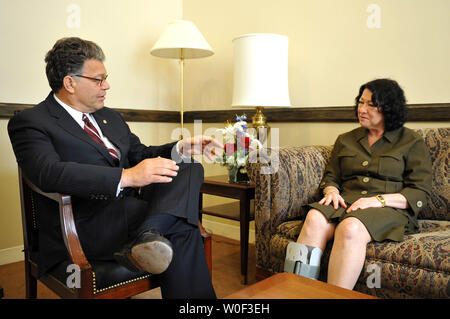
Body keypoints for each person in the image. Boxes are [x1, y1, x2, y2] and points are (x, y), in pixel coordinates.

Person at [8, 37, 223, 298]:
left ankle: (148, 234)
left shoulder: (110, 117)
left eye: (105, 78)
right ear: (70, 82)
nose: (106, 85)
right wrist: (126, 176)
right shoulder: (32, 121)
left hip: (132, 213)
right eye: (98, 80)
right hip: (83, 224)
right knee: (182, 225)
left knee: (189, 165)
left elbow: (139, 154)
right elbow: (48, 172)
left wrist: (178, 149)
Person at [284, 78, 432, 290]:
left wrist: (377, 201)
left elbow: (419, 192)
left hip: (388, 209)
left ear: (389, 108)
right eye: (361, 102)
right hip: (346, 203)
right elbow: (331, 175)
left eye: (371, 104)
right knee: (314, 218)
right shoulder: (346, 139)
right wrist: (332, 190)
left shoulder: (411, 141)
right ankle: (295, 292)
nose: (362, 109)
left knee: (350, 228)